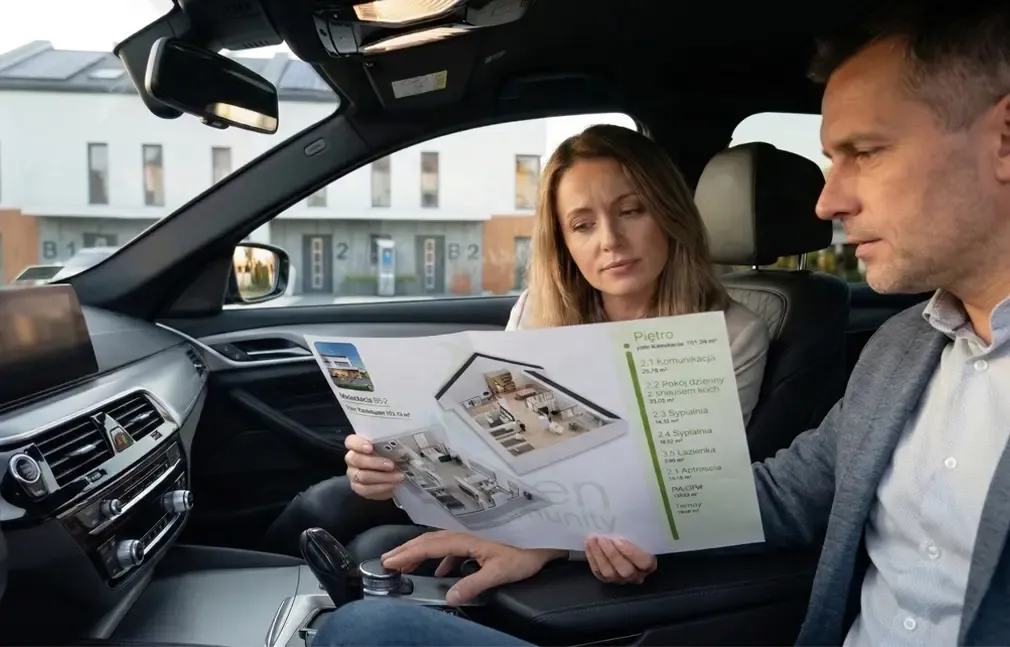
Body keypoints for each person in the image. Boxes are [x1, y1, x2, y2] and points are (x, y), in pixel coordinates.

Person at [311, 2, 1010, 646]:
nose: (826, 202)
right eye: (832, 160)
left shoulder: (739, 329)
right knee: (366, 620)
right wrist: (535, 531)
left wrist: (557, 538)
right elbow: (774, 497)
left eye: (866, 152)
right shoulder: (902, 348)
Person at [265, 124, 771, 569]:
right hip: (511, 503)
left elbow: (692, 494)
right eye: (583, 225)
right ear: (564, 241)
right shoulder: (538, 308)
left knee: (374, 550)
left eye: (632, 210)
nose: (610, 240)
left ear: (669, 212)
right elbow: (491, 436)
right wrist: (394, 469)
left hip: (598, 539)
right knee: (326, 504)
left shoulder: (733, 332)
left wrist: (548, 546)